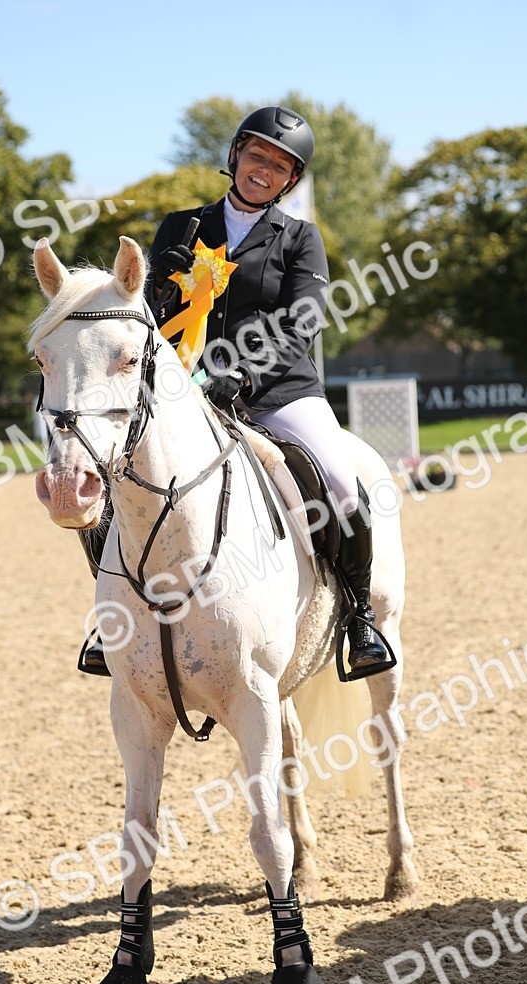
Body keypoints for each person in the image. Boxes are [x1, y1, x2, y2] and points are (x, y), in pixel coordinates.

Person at [80, 105, 390, 678]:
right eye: (256, 156)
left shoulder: (300, 238)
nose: (263, 170)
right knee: (105, 480)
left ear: (289, 181)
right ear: (235, 157)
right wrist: (161, 290)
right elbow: (144, 324)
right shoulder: (182, 226)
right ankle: (112, 621)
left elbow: (302, 321)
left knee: (342, 483)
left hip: (279, 392)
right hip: (182, 393)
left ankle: (359, 618)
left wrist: (242, 375)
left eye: (279, 166)